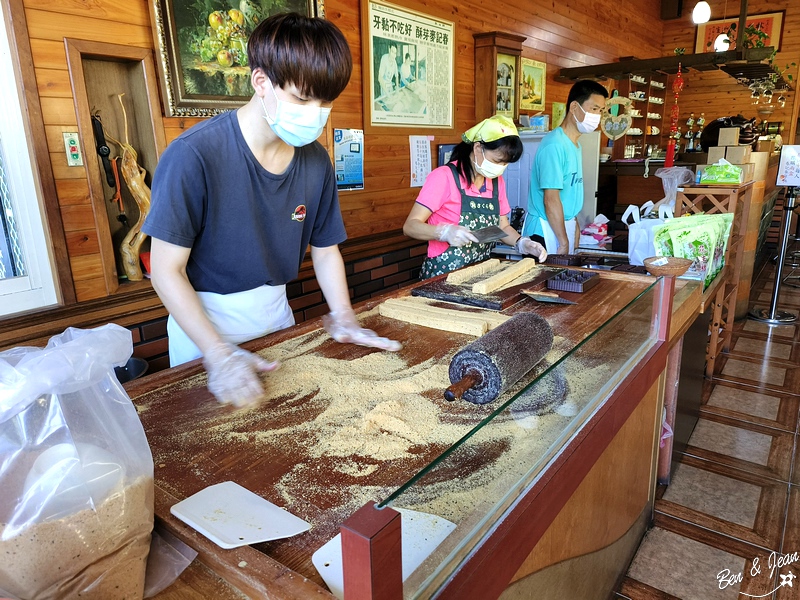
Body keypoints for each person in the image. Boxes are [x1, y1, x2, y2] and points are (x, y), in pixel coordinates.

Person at [142, 13, 400, 408]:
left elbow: (325, 250)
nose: (315, 112)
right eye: (303, 98)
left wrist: (344, 315)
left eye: (326, 101)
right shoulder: (194, 155)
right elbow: (166, 270)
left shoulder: (315, 161)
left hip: (277, 319)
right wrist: (217, 353)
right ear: (261, 81)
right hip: (205, 333)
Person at [403, 115, 547, 279]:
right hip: (443, 275)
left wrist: (522, 242)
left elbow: (502, 226)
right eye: (497, 161)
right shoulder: (444, 177)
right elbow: (410, 226)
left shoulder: (496, 182)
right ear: (478, 148)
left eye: (505, 164)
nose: (500, 168)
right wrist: (443, 232)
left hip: (479, 274)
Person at [522, 80, 608, 255]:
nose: (597, 116)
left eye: (601, 111)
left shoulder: (575, 145)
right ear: (574, 107)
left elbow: (569, 194)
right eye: (594, 109)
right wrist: (563, 241)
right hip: (543, 231)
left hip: (563, 226)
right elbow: (551, 199)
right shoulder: (554, 145)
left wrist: (574, 226)